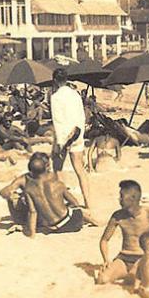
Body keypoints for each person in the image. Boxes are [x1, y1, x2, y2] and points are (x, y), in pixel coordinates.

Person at [0, 153, 98, 237]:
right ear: (45, 167)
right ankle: (96, 222)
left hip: (47, 223)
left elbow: (32, 212)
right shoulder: (53, 181)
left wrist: (31, 233)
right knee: (75, 210)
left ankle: (26, 223)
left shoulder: (28, 184)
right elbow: (74, 202)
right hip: (69, 222)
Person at [97, 180, 149, 285]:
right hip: (124, 258)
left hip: (142, 259)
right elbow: (104, 240)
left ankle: (133, 274)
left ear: (133, 198)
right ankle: (128, 273)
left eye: (122, 196)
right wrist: (106, 260)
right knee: (102, 279)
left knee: (134, 282)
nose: (119, 199)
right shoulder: (117, 216)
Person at [50, 68, 92, 209]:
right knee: (80, 170)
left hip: (65, 136)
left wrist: (60, 143)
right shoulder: (75, 95)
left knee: (58, 170)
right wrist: (80, 134)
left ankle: (62, 200)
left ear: (55, 80)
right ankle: (88, 202)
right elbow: (81, 116)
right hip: (77, 133)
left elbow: (58, 122)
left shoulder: (55, 97)